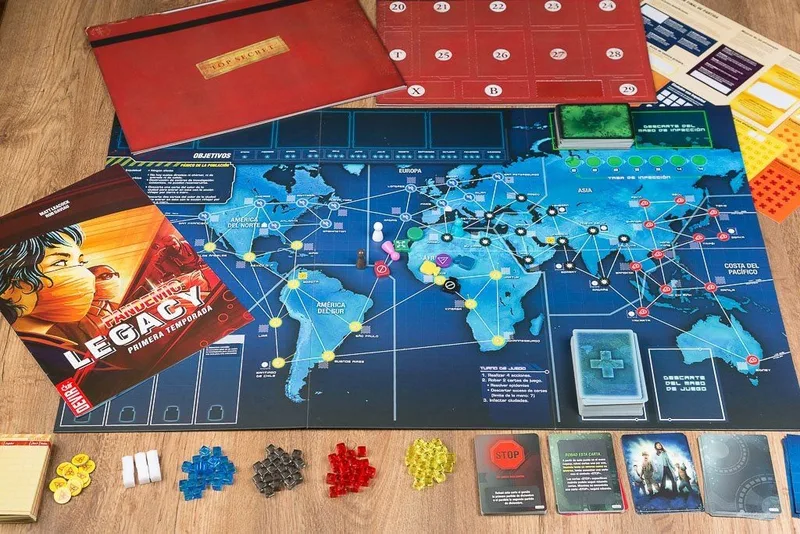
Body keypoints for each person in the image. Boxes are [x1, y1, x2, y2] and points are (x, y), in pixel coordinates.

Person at [0, 225, 95, 383]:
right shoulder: (35, 357)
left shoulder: (60, 342)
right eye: (60, 263)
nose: (87, 275)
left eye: (81, 262)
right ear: (9, 286)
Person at [51, 265, 122, 343]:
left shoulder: (120, 306)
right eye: (106, 276)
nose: (115, 279)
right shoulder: (66, 320)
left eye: (116, 275)